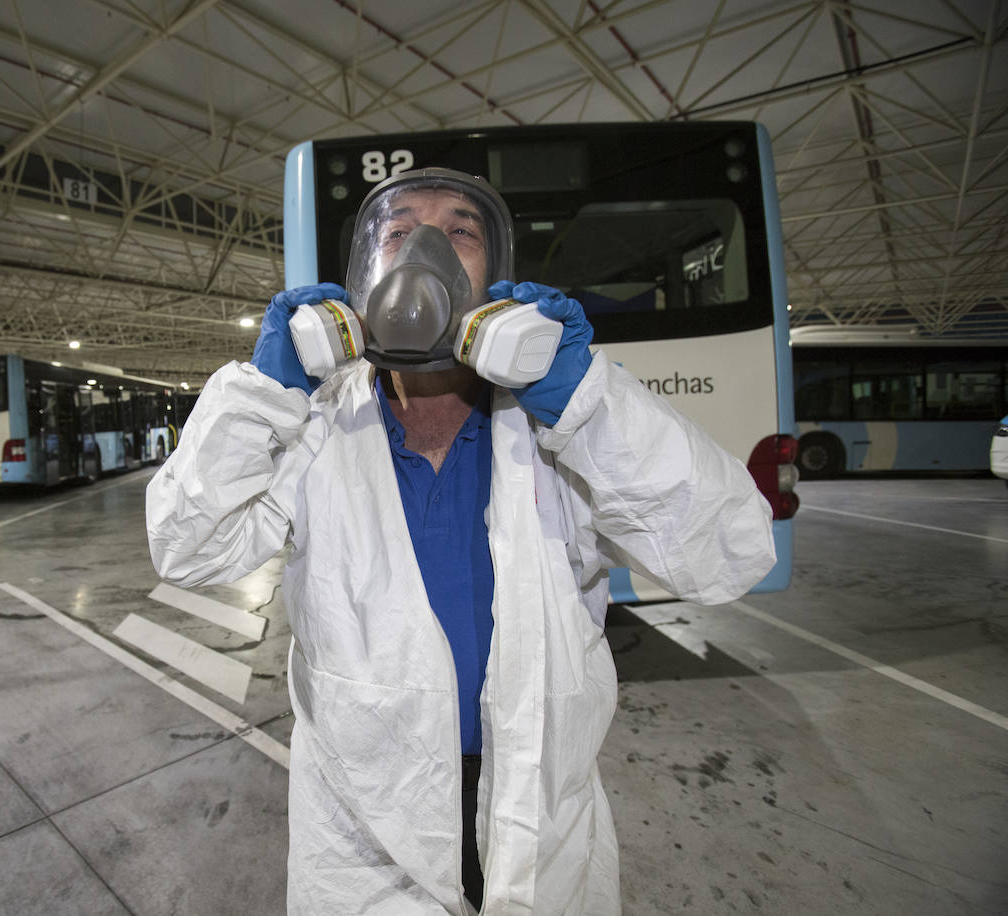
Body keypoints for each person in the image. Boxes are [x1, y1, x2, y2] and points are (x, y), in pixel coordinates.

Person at [146, 168, 776, 915]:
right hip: (367, 826)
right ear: (365, 276)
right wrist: (261, 393)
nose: (427, 251)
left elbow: (729, 549)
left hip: (537, 807)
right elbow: (186, 548)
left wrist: (587, 400)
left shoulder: (563, 427)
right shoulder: (313, 424)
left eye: (461, 233)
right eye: (399, 232)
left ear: (495, 280)